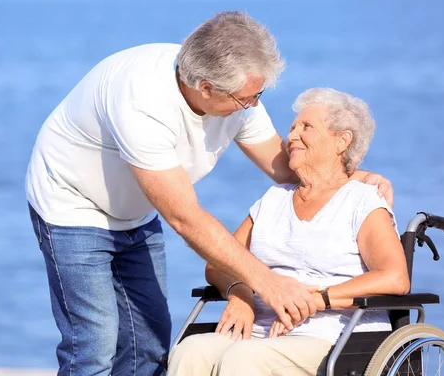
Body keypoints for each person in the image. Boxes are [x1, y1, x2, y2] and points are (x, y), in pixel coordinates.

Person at [25, 11, 393, 376]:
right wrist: (258, 286)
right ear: (206, 89)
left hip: (135, 211)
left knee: (149, 343)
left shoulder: (236, 92)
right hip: (72, 204)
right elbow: (184, 218)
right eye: (247, 98)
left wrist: (355, 177)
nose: (253, 105)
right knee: (94, 343)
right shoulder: (141, 103)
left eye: (258, 94)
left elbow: (285, 167)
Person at [167, 87, 410, 376]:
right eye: (292, 128)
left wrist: (319, 299)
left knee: (244, 359)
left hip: (334, 336)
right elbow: (218, 264)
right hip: (260, 330)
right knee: (190, 352)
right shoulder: (274, 199)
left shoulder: (363, 201)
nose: (291, 136)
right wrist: (240, 294)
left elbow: (395, 278)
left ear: (342, 141)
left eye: (306, 127)